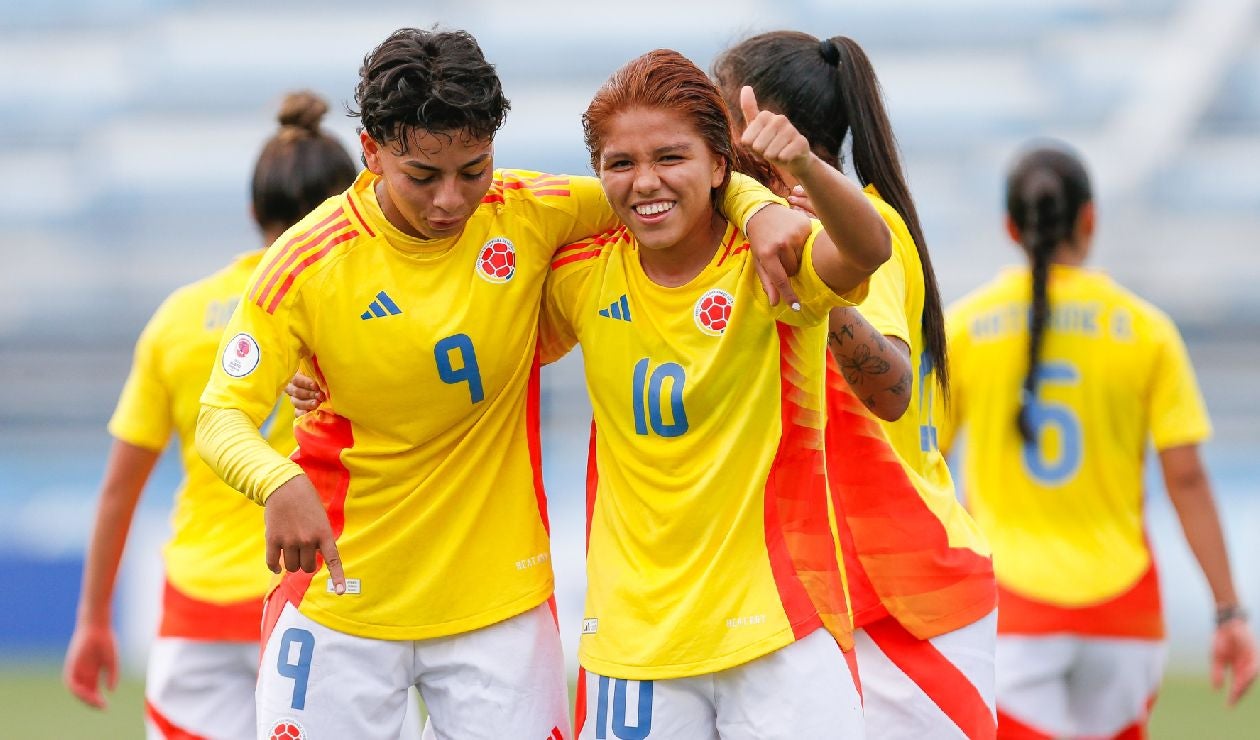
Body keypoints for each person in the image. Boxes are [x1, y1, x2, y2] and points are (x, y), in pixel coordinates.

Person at [194, 28, 804, 740]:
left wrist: (760, 207)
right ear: (371, 153)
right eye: (423, 176)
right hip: (340, 603)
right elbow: (220, 415)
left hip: (500, 614)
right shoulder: (305, 263)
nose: (452, 199)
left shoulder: (527, 209)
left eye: (473, 168)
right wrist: (277, 481)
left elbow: (670, 187)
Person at [535, 48, 890, 739]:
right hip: (637, 643)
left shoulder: (771, 258)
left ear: (720, 166)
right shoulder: (579, 274)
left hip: (782, 628)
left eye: (671, 158)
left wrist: (802, 172)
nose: (645, 184)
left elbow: (867, 249)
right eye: (620, 164)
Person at [713, 32, 998, 738]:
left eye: (719, 120)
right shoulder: (769, 233)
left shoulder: (854, 234)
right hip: (837, 592)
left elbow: (890, 388)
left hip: (904, 600)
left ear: (765, 128)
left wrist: (820, 291)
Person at [62, 91, 358, 738]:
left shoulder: (176, 320)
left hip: (194, 614)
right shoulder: (358, 309)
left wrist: (92, 619)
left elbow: (119, 489)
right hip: (319, 601)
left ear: (254, 212)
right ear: (347, 209)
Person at [941, 140, 1258, 738]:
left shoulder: (964, 326)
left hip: (1010, 608)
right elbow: (1186, 478)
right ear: (1090, 220)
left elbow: (923, 466)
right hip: (1123, 611)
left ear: (1010, 226)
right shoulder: (1147, 331)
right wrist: (1228, 610)